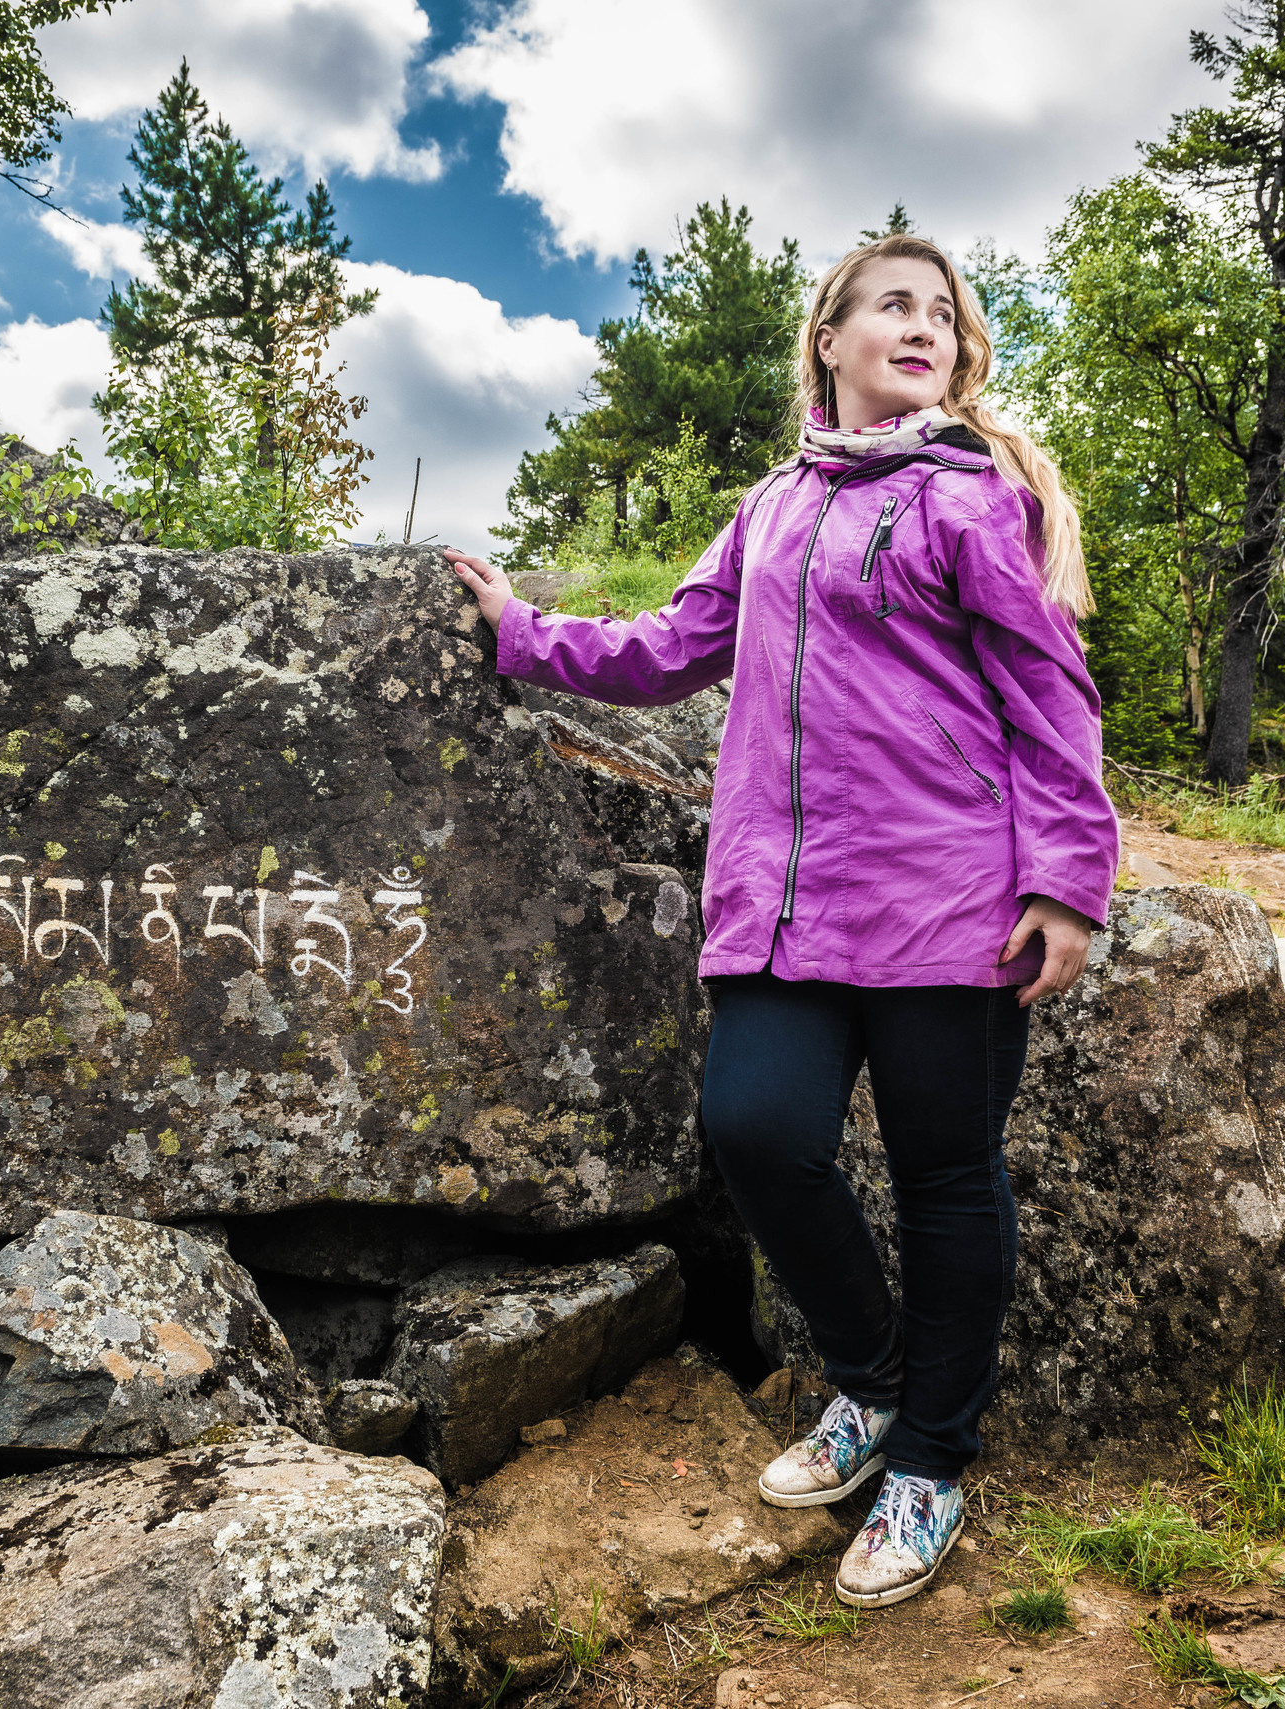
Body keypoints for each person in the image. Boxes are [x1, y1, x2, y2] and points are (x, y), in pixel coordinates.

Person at [443, 233, 1119, 1607]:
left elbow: (1055, 691)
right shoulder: (773, 509)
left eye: (941, 312)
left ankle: (932, 1456)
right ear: (830, 338)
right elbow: (670, 646)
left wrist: (1067, 877)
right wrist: (526, 632)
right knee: (756, 1128)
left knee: (946, 1178)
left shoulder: (973, 499)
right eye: (891, 304)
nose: (920, 325)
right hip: (785, 907)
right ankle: (869, 1380)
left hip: (950, 901)